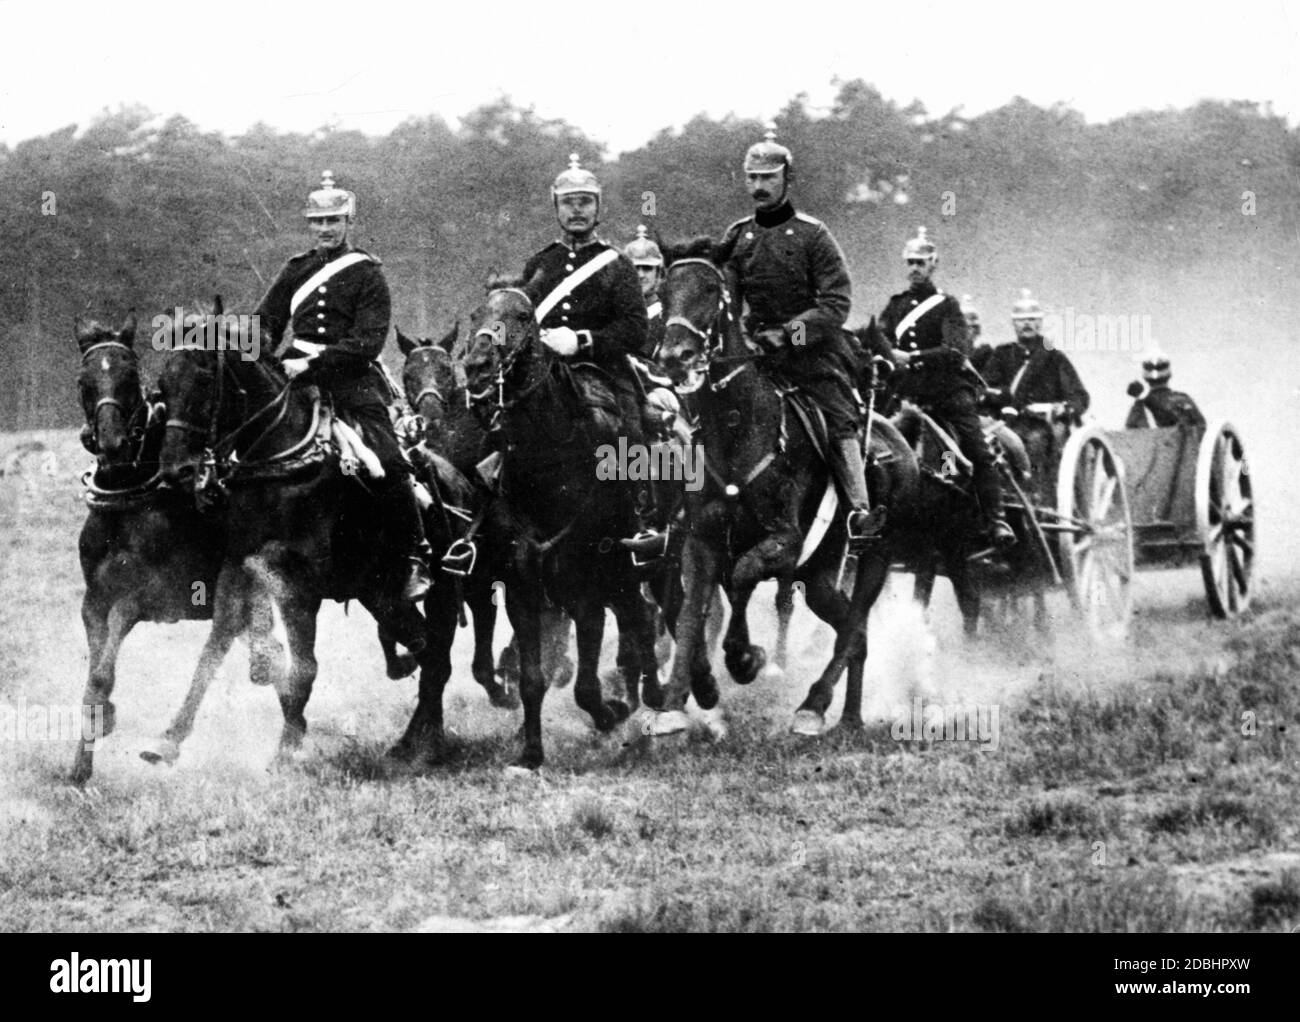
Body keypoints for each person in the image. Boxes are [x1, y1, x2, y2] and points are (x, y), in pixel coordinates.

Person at [254, 170, 431, 607]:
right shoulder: (295, 269)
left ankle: (415, 555)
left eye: (334, 220)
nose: (326, 229)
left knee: (389, 463)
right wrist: (253, 353)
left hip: (352, 387)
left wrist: (311, 361)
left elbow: (367, 342)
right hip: (292, 386)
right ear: (309, 225)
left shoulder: (368, 273)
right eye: (318, 222)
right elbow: (265, 325)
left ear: (349, 222)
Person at [717, 129, 874, 543]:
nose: (759, 186)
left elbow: (836, 305)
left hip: (812, 353)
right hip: (753, 355)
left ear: (788, 179)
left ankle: (859, 510)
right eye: (752, 178)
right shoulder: (736, 237)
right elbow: (725, 300)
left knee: (839, 416)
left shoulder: (813, 235)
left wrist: (788, 336)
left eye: (768, 177)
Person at [880, 227, 1015, 548]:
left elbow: (956, 351)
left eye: (921, 263)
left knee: (978, 451)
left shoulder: (947, 306)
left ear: (933, 264)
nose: (914, 268)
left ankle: (996, 519)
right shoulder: (896, 306)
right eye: (910, 262)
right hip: (909, 397)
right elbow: (881, 337)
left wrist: (911, 356)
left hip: (949, 395)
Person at [981, 289, 1090, 422]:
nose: (1027, 323)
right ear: (1013, 324)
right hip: (1005, 421)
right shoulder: (1002, 354)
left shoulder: (1054, 357)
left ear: (1040, 323)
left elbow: (1079, 396)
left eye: (1032, 319)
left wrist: (1064, 408)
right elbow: (987, 387)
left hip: (1043, 424)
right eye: (1021, 320)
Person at [1125, 351, 1205, 429]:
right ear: (1169, 375)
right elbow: (1202, 430)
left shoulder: (1139, 407)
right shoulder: (1183, 400)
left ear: (1146, 378)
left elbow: (1127, 436)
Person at [624, 225, 666, 358]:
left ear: (658, 273)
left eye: (647, 268)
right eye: (635, 268)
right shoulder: (614, 315)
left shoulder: (666, 317)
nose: (641, 275)